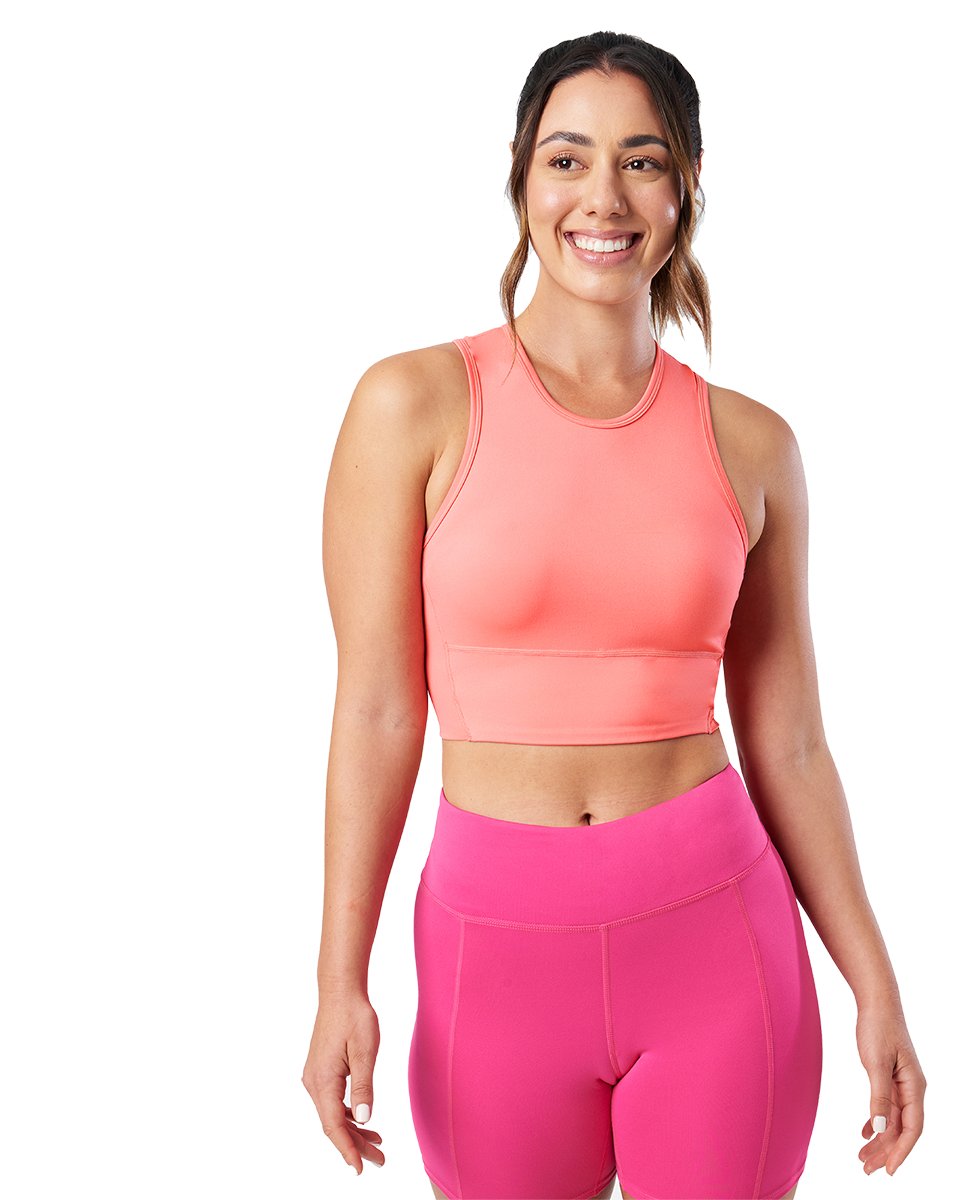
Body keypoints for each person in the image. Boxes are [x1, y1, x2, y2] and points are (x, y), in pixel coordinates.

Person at [302, 31, 925, 1200]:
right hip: (492, 957)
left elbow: (789, 742)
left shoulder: (751, 444)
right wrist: (341, 985)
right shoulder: (412, 405)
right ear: (520, 176)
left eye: (643, 161)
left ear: (687, 185)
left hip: (718, 947)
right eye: (568, 158)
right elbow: (378, 713)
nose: (603, 197)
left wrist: (875, 983)